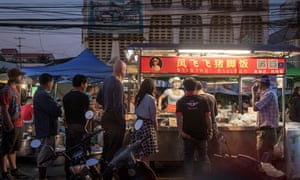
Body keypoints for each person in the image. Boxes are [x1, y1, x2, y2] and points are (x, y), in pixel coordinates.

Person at [176, 77, 213, 179]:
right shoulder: (203, 100)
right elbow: (208, 117)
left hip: (187, 134)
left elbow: (179, 118)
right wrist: (210, 131)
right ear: (196, 87)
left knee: (188, 158)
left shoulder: (181, 101)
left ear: (184, 87)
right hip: (202, 134)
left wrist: (180, 131)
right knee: (203, 158)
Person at [96, 59, 127, 180]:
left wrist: (106, 106)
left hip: (106, 118)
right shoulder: (118, 83)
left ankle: (103, 172)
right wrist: (122, 123)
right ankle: (108, 175)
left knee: (107, 147)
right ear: (122, 70)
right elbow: (118, 106)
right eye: (125, 70)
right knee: (114, 149)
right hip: (114, 120)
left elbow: (99, 99)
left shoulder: (106, 81)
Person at [0, 68, 29, 180]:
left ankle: (14, 169)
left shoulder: (15, 89)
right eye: (20, 76)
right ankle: (4, 173)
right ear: (13, 77)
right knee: (5, 150)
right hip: (11, 125)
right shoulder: (6, 90)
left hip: (19, 124)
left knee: (13, 149)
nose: (22, 78)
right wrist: (10, 125)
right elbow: (4, 110)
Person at [33, 73, 62, 180]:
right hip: (46, 129)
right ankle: (42, 177)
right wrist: (58, 106)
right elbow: (55, 110)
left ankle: (43, 176)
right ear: (49, 82)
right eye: (52, 82)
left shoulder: (40, 93)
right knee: (44, 155)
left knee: (44, 153)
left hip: (44, 128)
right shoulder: (42, 95)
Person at [62, 74, 90, 180]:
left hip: (69, 128)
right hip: (80, 128)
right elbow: (88, 115)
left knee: (69, 153)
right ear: (82, 84)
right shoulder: (84, 97)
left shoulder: (66, 97)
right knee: (80, 153)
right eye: (86, 83)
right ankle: (79, 175)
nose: (86, 86)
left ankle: (68, 175)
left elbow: (65, 115)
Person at [251, 75, 279, 162]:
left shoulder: (269, 94)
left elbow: (255, 107)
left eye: (258, 84)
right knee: (266, 156)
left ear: (261, 84)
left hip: (266, 132)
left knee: (263, 156)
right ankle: (265, 173)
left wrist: (253, 94)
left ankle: (264, 174)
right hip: (267, 131)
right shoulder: (268, 93)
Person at [132, 78, 158, 165]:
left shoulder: (138, 97)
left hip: (137, 124)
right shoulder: (151, 99)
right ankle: (146, 174)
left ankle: (137, 172)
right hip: (147, 125)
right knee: (146, 155)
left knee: (137, 152)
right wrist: (156, 128)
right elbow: (153, 117)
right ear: (151, 87)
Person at [196, 81, 220, 159]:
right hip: (213, 126)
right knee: (215, 152)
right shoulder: (212, 97)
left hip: (201, 128)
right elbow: (216, 113)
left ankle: (204, 170)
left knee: (203, 153)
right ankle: (216, 169)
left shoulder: (196, 99)